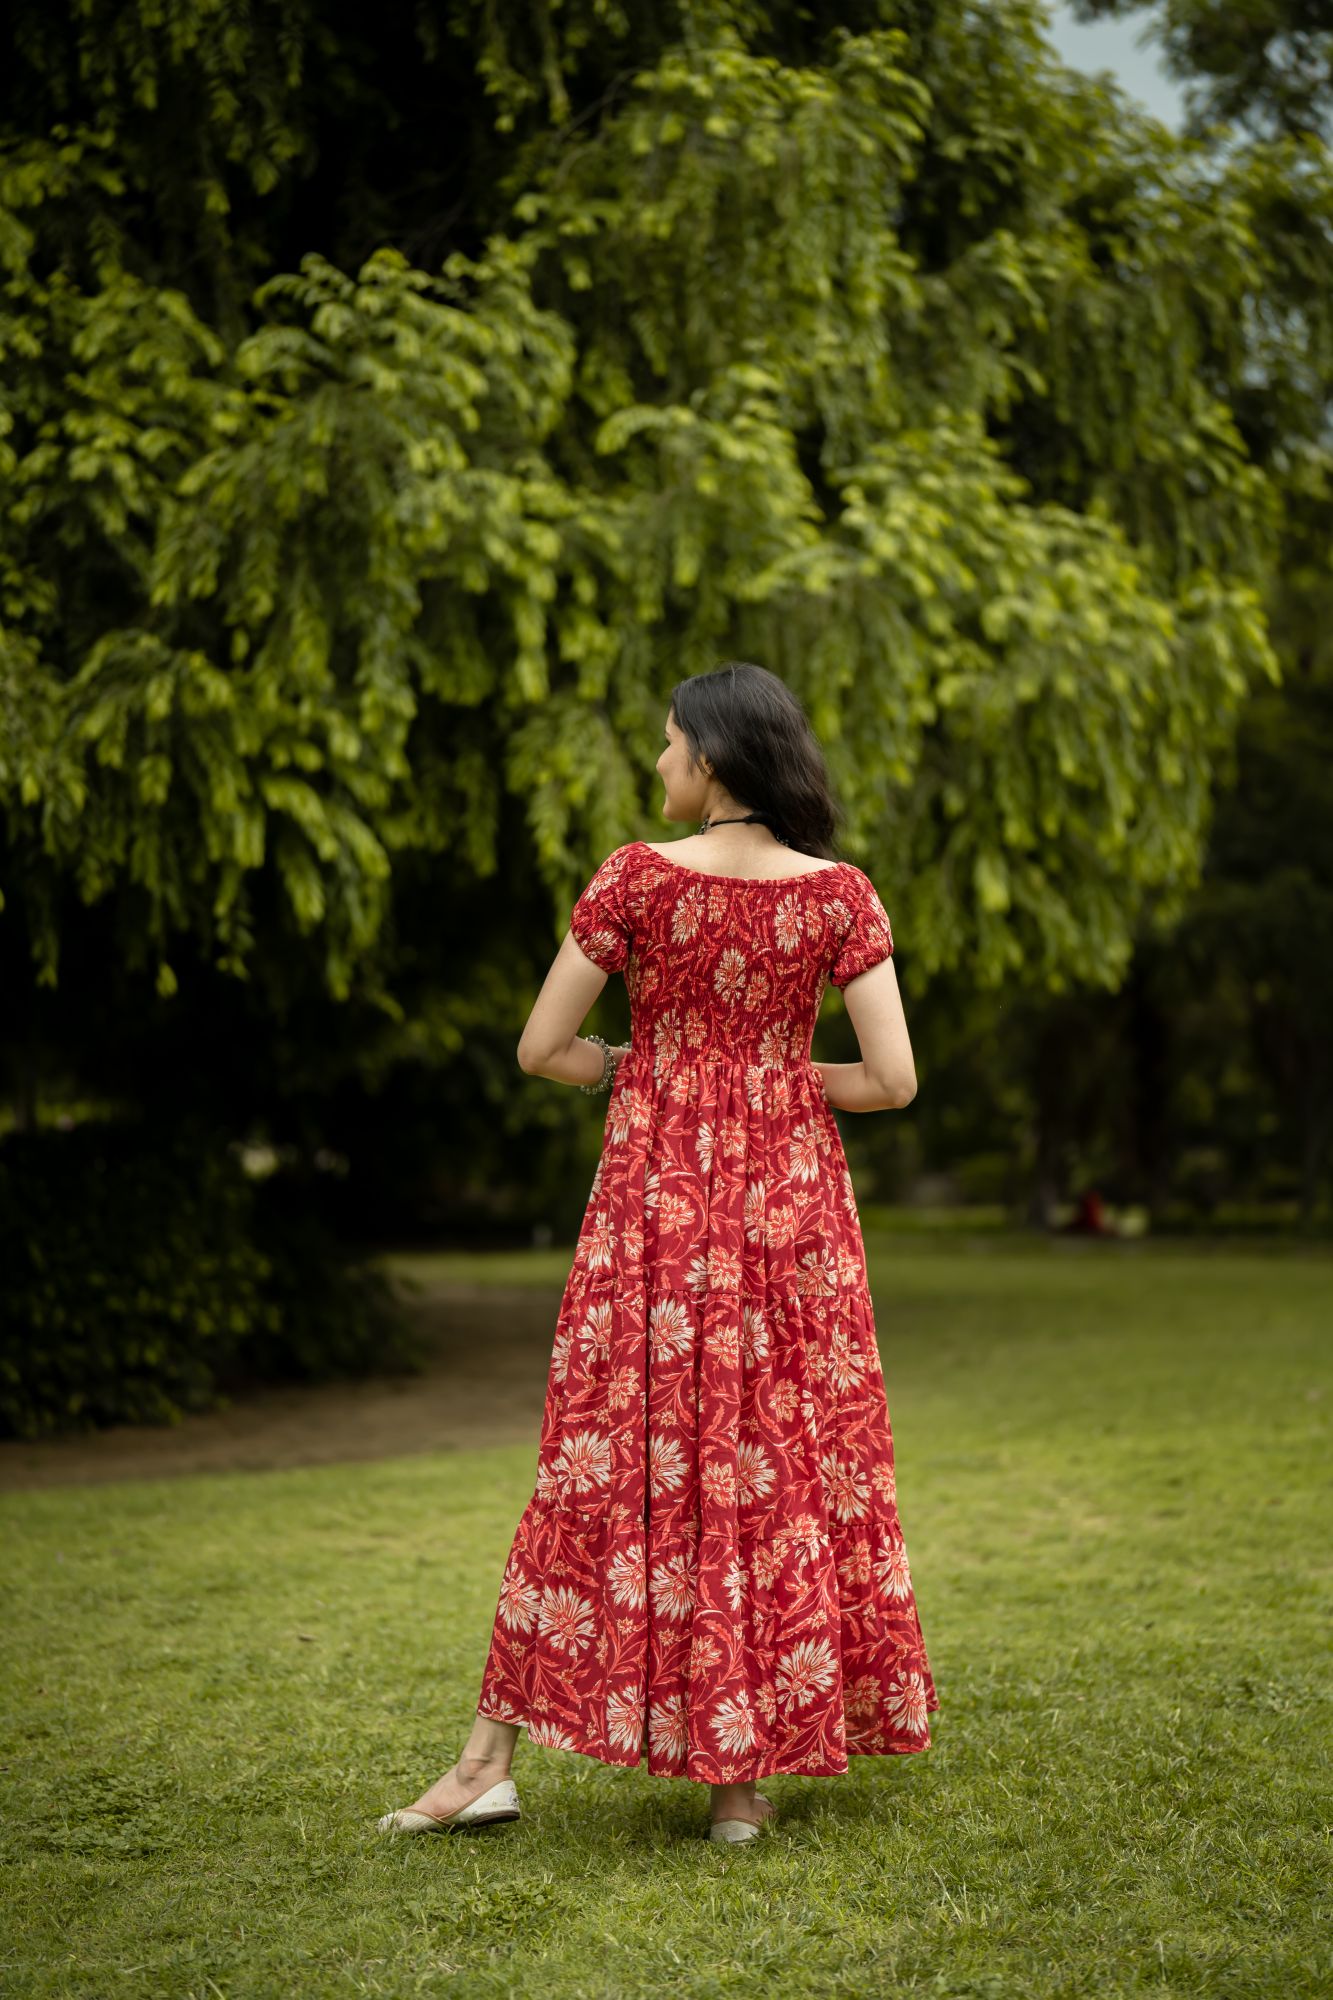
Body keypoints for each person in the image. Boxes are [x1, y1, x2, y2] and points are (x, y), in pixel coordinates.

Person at [377, 661, 939, 1843]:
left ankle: (487, 1760)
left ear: (714, 758)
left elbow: (541, 1046)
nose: (658, 760)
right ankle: (739, 1787)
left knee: (600, 1460)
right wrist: (776, 1080)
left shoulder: (635, 878)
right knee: (773, 1462)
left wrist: (650, 1072)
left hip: (656, 1213)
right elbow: (891, 1080)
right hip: (792, 1220)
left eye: (670, 742)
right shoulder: (839, 894)